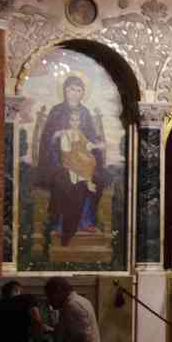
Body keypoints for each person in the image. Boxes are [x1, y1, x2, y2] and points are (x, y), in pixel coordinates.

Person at [38, 75, 107, 246]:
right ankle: (61, 224)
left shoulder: (85, 113)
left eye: (78, 90)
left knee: (99, 179)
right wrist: (57, 135)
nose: (74, 93)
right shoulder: (56, 111)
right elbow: (47, 139)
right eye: (71, 89)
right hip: (57, 161)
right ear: (64, 91)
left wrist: (95, 148)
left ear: (83, 93)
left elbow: (90, 138)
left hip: (81, 160)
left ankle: (87, 220)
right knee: (65, 181)